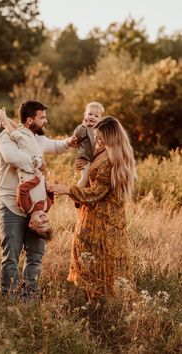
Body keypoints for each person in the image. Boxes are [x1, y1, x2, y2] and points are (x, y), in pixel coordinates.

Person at [0, 100, 77, 301]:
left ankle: (30, 298)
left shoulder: (37, 139)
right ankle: (10, 299)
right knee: (11, 256)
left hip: (36, 211)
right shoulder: (6, 137)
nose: (45, 121)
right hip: (11, 206)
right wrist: (38, 162)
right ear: (30, 120)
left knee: (35, 257)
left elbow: (56, 146)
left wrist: (70, 141)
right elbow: (11, 157)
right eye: (42, 118)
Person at [50, 116, 136, 303]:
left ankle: (99, 307)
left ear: (111, 138)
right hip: (104, 219)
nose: (97, 142)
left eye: (100, 138)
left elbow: (95, 193)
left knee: (98, 262)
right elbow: (91, 180)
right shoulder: (110, 153)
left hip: (101, 222)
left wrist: (67, 190)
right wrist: (85, 169)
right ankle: (97, 305)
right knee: (98, 262)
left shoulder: (111, 160)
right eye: (96, 137)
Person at [0, 108, 53, 241]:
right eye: (47, 222)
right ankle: (6, 120)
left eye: (41, 224)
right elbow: (50, 195)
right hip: (37, 170)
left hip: (28, 172)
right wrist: (48, 188)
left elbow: (22, 189)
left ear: (31, 223)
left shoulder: (27, 207)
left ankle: (5, 123)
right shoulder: (47, 206)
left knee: (21, 138)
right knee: (27, 138)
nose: (44, 220)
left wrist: (36, 181)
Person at [74, 102, 105, 187]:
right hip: (84, 158)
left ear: (100, 118)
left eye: (96, 116)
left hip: (92, 158)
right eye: (90, 114)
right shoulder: (83, 127)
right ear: (85, 115)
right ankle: (77, 195)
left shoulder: (97, 130)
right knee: (85, 178)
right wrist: (84, 124)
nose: (92, 117)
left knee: (90, 180)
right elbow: (77, 135)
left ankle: (85, 196)